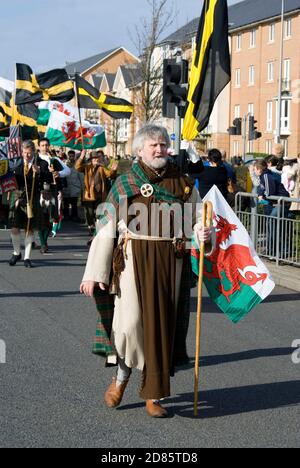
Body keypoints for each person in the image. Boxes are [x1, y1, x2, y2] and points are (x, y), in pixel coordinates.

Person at [80, 125, 213, 418]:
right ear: (139, 150)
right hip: (131, 262)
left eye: (164, 144)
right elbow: (105, 228)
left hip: (171, 263)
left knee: (161, 330)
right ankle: (121, 379)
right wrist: (94, 273)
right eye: (154, 145)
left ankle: (154, 394)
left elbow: (199, 221)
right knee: (129, 327)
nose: (160, 149)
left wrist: (203, 233)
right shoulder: (125, 183)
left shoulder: (185, 184)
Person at [8, 140, 52, 268]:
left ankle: (27, 257)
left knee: (29, 228)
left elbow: (50, 179)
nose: (26, 156)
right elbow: (12, 179)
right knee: (14, 227)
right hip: (18, 195)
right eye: (24, 153)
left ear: (33, 151)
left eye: (29, 153)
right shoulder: (17, 163)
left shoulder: (42, 163)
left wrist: (39, 172)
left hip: (33, 197)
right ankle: (16, 253)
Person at [75, 150, 117, 244]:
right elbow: (77, 167)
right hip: (88, 195)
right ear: (91, 160)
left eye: (97, 159)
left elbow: (110, 174)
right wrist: (81, 156)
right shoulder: (86, 167)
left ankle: (96, 231)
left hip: (100, 195)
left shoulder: (102, 168)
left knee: (98, 213)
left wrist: (114, 169)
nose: (96, 160)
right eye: (94, 159)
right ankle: (91, 226)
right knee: (89, 213)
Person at [38, 138, 71, 252]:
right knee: (40, 217)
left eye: (46, 145)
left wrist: (59, 173)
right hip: (39, 190)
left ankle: (44, 241)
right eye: (42, 145)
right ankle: (43, 244)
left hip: (52, 190)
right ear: (39, 147)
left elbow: (68, 171)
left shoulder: (54, 159)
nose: (44, 147)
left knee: (50, 218)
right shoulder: (35, 159)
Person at [63, 150, 84, 222]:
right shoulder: (64, 164)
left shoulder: (77, 164)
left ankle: (74, 216)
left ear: (74, 156)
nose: (71, 157)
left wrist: (82, 187)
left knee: (74, 203)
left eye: (72, 156)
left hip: (75, 187)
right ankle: (66, 216)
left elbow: (81, 176)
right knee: (66, 202)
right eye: (70, 156)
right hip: (66, 187)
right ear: (68, 156)